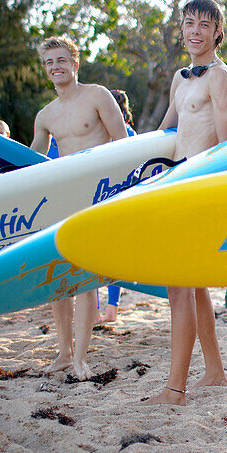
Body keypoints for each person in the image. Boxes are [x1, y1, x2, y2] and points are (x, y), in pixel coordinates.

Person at [142, 0, 227, 405]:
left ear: (218, 31)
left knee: (179, 287)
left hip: (199, 189)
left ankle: (174, 389)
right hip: (174, 185)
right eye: (188, 24)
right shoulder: (180, 79)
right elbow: (165, 134)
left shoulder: (221, 78)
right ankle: (214, 373)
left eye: (204, 24)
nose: (194, 31)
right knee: (193, 289)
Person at [31, 35, 128, 379]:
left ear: (74, 63)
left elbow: (123, 144)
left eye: (61, 60)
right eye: (49, 63)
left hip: (98, 196)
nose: (55, 67)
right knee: (59, 277)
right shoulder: (45, 116)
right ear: (45, 70)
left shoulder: (97, 95)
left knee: (86, 278)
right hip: (64, 199)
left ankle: (82, 358)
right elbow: (31, 162)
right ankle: (63, 352)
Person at [100, 91, 137, 323]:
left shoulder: (106, 133)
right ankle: (111, 309)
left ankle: (104, 310)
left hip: (107, 198)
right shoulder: (131, 134)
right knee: (114, 257)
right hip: (122, 199)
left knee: (99, 256)